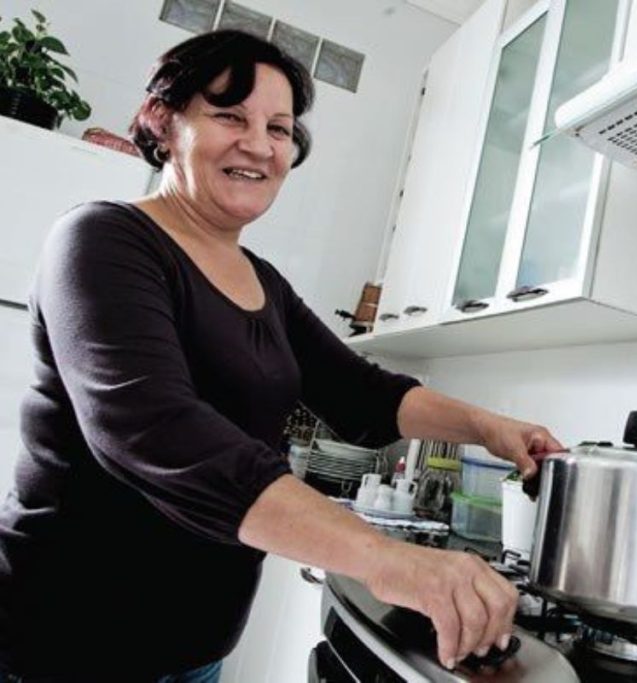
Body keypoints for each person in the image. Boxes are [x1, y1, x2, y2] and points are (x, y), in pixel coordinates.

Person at [0, 30, 563, 682]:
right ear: (163, 118)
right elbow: (154, 428)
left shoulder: (262, 281)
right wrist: (384, 557)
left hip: (196, 645)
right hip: (64, 642)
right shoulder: (103, 240)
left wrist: (491, 427)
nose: (260, 145)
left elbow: (362, 394)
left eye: (279, 127)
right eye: (229, 116)